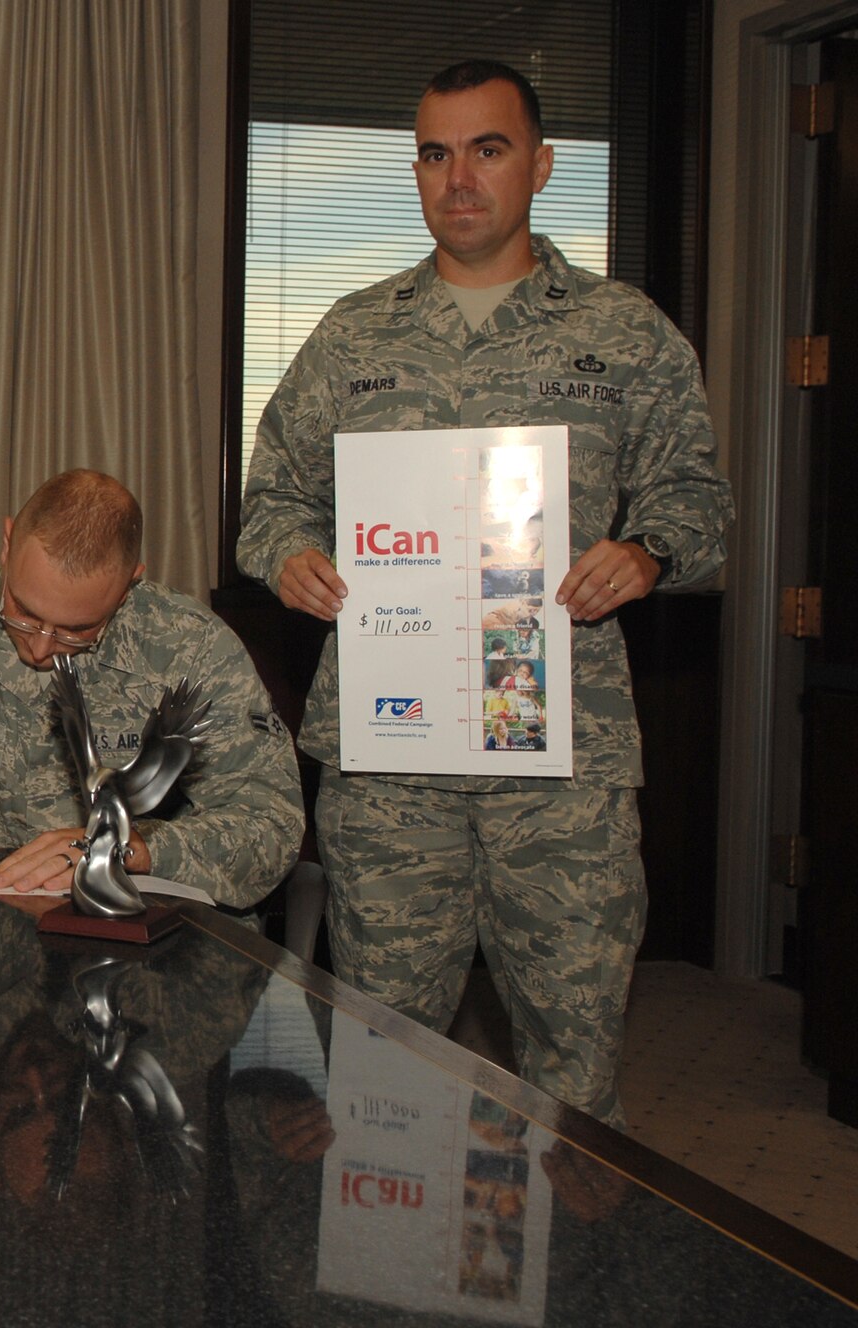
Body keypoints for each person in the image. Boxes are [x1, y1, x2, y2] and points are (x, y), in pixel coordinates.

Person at [237, 60, 732, 1124]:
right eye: (433, 152)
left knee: (572, 1047)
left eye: (487, 148)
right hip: (389, 762)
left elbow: (697, 500)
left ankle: (568, 1278)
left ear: (540, 165)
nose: (457, 178)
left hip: (558, 760)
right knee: (384, 1052)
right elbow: (266, 496)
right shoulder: (350, 334)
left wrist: (644, 551)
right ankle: (394, 1277)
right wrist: (284, 553)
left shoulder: (622, 333)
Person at [0, 469, 302, 929]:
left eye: (77, 630)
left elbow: (270, 825)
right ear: (7, 544)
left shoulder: (192, 650)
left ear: (130, 583)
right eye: (24, 613)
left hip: (140, 947)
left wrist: (127, 847)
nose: (41, 647)